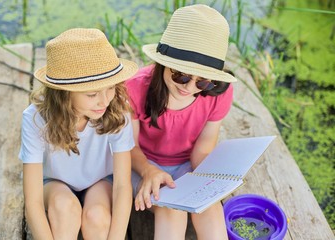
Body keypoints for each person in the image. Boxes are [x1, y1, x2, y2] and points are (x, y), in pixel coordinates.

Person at [126, 4, 237, 240]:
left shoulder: (219, 94)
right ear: (163, 63)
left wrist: (210, 180)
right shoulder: (135, 87)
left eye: (201, 82)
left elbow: (203, 149)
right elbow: (129, 146)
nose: (188, 87)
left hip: (187, 164)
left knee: (210, 208)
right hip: (142, 163)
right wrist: (149, 171)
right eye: (181, 75)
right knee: (171, 209)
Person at [19, 28, 138, 240]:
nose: (104, 101)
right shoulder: (34, 119)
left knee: (97, 216)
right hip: (54, 183)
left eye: (110, 88)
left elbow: (121, 186)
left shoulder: (118, 110)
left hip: (102, 181)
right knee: (65, 210)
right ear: (63, 94)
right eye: (92, 94)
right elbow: (33, 202)